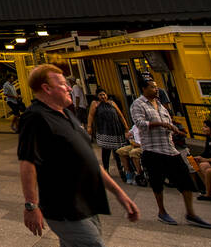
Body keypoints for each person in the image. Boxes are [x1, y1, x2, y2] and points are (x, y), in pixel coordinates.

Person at [18, 64, 139, 247]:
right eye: (63, 84)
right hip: (65, 208)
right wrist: (31, 205)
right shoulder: (35, 117)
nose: (69, 88)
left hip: (88, 204)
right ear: (46, 88)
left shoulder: (66, 113)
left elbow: (88, 160)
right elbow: (28, 162)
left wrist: (119, 193)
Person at [130, 78, 211, 228]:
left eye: (156, 87)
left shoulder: (160, 105)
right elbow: (140, 123)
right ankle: (162, 212)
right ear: (144, 88)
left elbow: (169, 123)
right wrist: (162, 124)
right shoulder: (138, 104)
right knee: (157, 183)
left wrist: (176, 129)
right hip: (152, 149)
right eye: (153, 87)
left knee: (186, 181)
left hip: (170, 149)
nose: (156, 89)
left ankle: (191, 213)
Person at [86, 88, 128, 175]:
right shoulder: (95, 104)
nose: (103, 96)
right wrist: (89, 127)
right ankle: (106, 169)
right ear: (97, 96)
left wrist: (126, 127)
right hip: (104, 130)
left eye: (104, 94)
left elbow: (120, 115)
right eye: (101, 95)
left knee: (118, 151)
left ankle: (121, 169)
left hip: (116, 130)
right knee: (106, 151)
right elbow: (90, 115)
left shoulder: (112, 103)